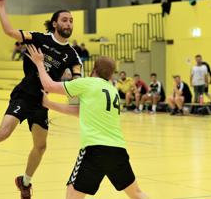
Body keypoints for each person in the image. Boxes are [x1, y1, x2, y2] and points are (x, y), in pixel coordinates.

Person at [0, 0, 83, 199]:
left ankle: (25, 182)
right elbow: (9, 31)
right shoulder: (38, 38)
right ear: (55, 23)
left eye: (71, 20)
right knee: (4, 132)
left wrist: (70, 83)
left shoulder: (72, 55)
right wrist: (1, 5)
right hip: (24, 94)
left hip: (42, 100)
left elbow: (76, 83)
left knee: (40, 146)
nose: (68, 23)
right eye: (64, 19)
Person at [26, 44, 148, 199]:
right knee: (136, 193)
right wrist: (49, 104)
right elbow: (80, 112)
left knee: (72, 193)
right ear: (110, 75)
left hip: (94, 149)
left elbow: (49, 85)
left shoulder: (87, 83)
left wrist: (39, 63)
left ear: (93, 70)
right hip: (118, 150)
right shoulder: (112, 90)